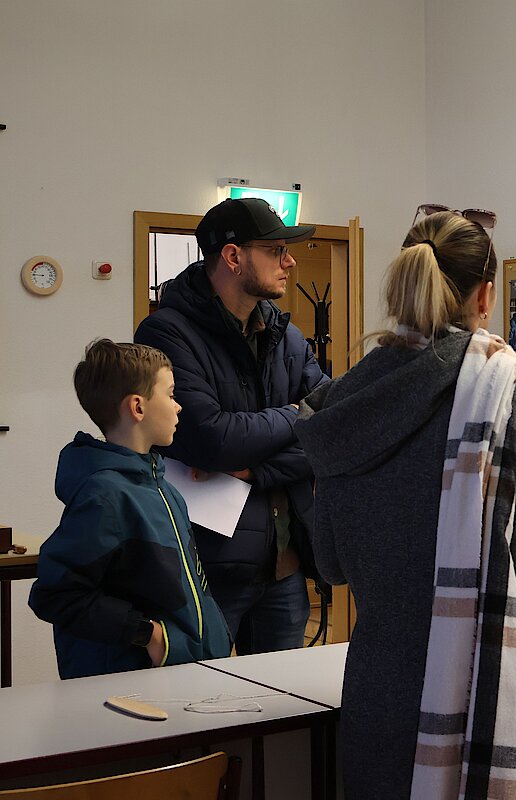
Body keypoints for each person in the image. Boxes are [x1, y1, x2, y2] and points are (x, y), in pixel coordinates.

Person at [294, 209, 516, 799]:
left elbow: (331, 563)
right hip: (485, 688)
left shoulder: (342, 402)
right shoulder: (500, 393)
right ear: (485, 295)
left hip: (381, 691)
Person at [135, 197, 329, 655]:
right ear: (233, 256)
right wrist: (297, 414)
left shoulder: (286, 336)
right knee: (202, 693)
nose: (289, 261)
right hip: (206, 567)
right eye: (276, 251)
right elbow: (212, 440)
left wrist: (257, 469)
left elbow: (334, 428)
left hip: (285, 563)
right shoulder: (166, 334)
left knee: (282, 698)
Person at [28, 340, 231, 679]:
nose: (178, 406)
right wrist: (148, 635)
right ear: (137, 407)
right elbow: (55, 594)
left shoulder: (165, 490)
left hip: (181, 675)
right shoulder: (105, 496)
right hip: (129, 687)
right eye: (170, 394)